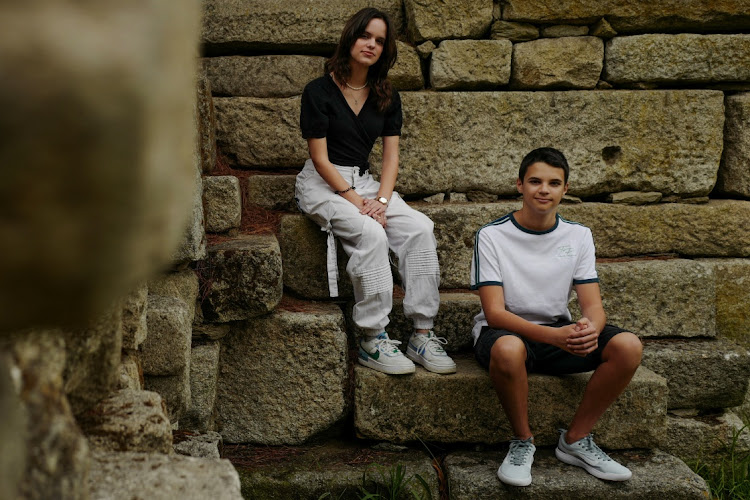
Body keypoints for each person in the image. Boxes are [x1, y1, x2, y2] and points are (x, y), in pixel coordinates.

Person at [295, 8, 456, 376]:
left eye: (380, 40)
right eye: (365, 35)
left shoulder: (386, 95)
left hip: (367, 182)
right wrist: (360, 205)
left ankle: (421, 334)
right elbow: (319, 159)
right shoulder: (318, 92)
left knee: (420, 228)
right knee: (370, 232)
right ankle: (373, 337)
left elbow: (391, 158)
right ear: (350, 38)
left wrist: (381, 201)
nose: (371, 44)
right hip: (323, 183)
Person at [470, 147, 643, 486]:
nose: (543, 190)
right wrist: (556, 338)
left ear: (565, 189)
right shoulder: (491, 235)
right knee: (508, 350)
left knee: (628, 346)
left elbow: (593, 305)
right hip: (504, 333)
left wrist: (590, 330)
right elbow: (495, 312)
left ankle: (576, 440)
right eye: (535, 181)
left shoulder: (578, 235)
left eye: (554, 183)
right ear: (520, 185)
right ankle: (522, 442)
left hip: (556, 330)